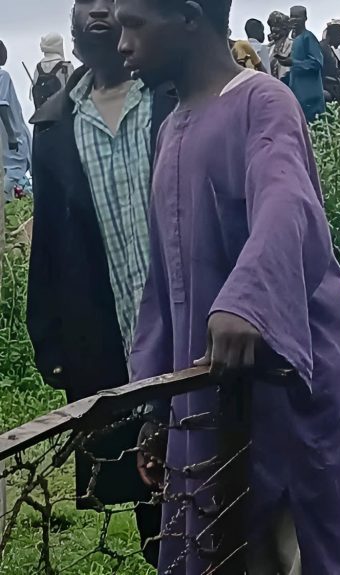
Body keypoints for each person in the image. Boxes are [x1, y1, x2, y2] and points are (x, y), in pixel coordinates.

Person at [112, 0, 340, 572]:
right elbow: (164, 286)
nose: (122, 45)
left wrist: (247, 301)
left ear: (190, 16)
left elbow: (288, 202)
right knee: (216, 543)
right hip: (203, 396)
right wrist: (155, 404)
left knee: (289, 551)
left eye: (134, 24)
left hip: (284, 390)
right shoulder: (169, 130)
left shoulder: (263, 102)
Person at [27, 0, 177, 565]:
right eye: (85, 5)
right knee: (146, 483)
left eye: (110, 4)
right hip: (110, 331)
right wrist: (48, 336)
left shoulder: (167, 96)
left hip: (187, 319)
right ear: (73, 37)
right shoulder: (55, 125)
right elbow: (50, 238)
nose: (98, 10)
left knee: (219, 461)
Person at [279, 6, 324, 122]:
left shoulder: (308, 37)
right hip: (297, 97)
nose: (294, 20)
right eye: (292, 17)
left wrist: (293, 62)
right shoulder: (294, 40)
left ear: (305, 18)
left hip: (310, 99)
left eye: (297, 17)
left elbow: (317, 63)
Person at [0, 41, 31, 201]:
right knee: (15, 168)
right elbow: (2, 104)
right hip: (9, 132)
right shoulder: (3, 75)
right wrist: (12, 135)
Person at [33, 33, 75, 109]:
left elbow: (33, 94)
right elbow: (74, 92)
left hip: (42, 113)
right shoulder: (66, 66)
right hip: (62, 112)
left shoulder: (38, 67)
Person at [319, 21, 340, 105]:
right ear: (334, 35)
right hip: (327, 89)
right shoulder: (322, 48)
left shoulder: (331, 49)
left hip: (335, 90)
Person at [267, 11, 292, 80]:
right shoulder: (268, 49)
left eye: (277, 26)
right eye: (272, 26)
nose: (273, 29)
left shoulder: (293, 45)